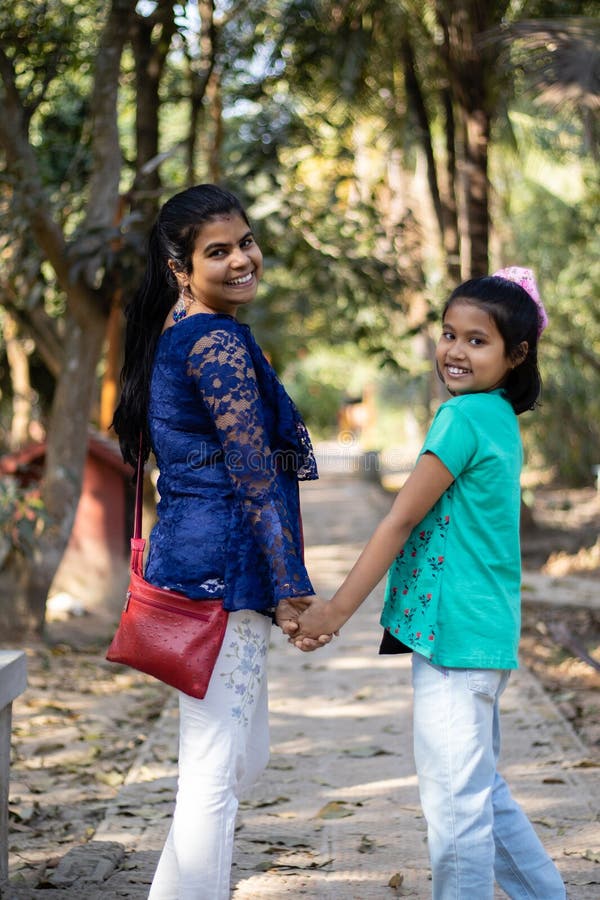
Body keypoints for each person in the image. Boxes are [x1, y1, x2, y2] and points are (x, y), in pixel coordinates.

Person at [290, 268, 566, 899]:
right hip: (480, 632)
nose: (455, 351)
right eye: (449, 334)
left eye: (477, 340)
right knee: (480, 793)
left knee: (455, 809)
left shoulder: (462, 418)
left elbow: (399, 520)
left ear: (516, 354)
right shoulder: (495, 416)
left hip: (455, 636)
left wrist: (334, 610)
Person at [112, 183, 328, 899]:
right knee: (213, 773)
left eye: (245, 242)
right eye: (218, 251)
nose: (242, 259)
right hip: (222, 573)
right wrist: (293, 585)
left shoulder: (186, 332)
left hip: (209, 564)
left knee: (239, 758)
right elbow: (255, 477)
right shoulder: (214, 341)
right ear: (181, 265)